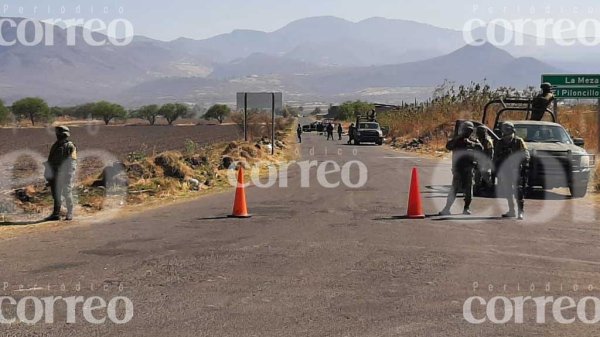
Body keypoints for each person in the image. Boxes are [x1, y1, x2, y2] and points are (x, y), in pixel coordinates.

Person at [439, 121, 482, 216]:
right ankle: (447, 208)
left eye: (468, 130)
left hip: (469, 167)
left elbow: (481, 148)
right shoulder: (457, 140)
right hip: (458, 167)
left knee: (468, 188)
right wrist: (458, 139)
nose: (467, 132)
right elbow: (448, 146)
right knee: (454, 188)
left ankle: (466, 208)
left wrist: (471, 143)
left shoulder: (474, 140)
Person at [494, 122, 530, 220]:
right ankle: (511, 210)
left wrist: (524, 163)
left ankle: (520, 211)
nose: (505, 131)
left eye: (507, 129)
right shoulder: (500, 142)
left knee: (519, 191)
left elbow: (526, 153)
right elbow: (495, 156)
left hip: (517, 169)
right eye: (504, 129)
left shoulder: (518, 141)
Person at [44, 126, 77, 221]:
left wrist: (69, 173)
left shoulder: (70, 146)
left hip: (65, 173)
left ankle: (70, 213)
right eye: (57, 133)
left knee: (67, 193)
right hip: (54, 173)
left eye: (60, 134)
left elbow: (73, 161)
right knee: (56, 194)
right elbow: (50, 160)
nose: (58, 135)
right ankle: (56, 214)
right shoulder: (55, 145)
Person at [474, 125, 494, 193]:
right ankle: (477, 189)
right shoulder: (477, 139)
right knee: (477, 176)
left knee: (486, 176)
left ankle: (489, 189)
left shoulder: (488, 140)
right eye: (478, 132)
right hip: (478, 160)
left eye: (480, 132)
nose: (478, 133)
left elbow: (490, 152)